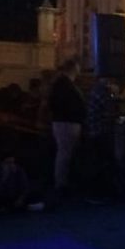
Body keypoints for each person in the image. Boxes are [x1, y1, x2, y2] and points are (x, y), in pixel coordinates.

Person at [48, 58, 86, 195]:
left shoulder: (61, 83)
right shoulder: (65, 85)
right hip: (67, 122)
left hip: (65, 121)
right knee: (65, 154)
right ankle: (61, 184)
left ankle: (62, 182)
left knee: (65, 154)